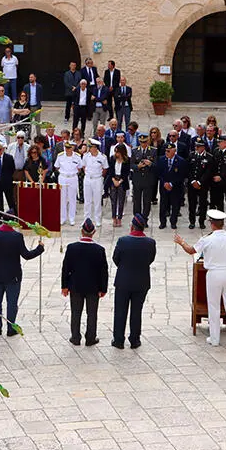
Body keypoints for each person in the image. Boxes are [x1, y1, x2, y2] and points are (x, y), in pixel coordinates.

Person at [175, 210, 226, 348]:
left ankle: (215, 338)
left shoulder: (207, 239)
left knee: (214, 307)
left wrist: (181, 242)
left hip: (214, 275)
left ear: (212, 224)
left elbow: (191, 250)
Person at [0, 213, 45, 336]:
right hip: (13, 276)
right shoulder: (16, 236)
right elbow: (26, 255)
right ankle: (11, 328)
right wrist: (39, 249)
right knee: (12, 303)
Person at [112, 214, 156, 349]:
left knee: (120, 311)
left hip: (123, 282)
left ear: (132, 226)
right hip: (141, 282)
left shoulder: (123, 241)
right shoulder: (150, 243)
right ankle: (135, 339)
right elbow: (150, 259)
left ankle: (118, 340)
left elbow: (116, 259)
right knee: (137, 312)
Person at [61, 218, 108, 346]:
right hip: (93, 287)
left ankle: (75, 337)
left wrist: (64, 286)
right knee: (92, 314)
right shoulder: (99, 250)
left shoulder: (72, 248)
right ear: (94, 232)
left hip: (76, 286)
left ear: (82, 231)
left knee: (76, 313)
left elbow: (65, 268)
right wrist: (103, 289)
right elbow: (104, 271)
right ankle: (90, 338)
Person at [157, 142, 186, 230]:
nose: (167, 153)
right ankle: (162, 222)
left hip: (175, 187)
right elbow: (159, 173)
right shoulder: (161, 159)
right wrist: (165, 183)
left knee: (175, 205)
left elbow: (182, 175)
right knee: (163, 205)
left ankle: (173, 222)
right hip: (164, 186)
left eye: (169, 151)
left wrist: (171, 183)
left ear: (174, 151)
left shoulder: (181, 161)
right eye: (166, 151)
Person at [187, 138, 214, 229]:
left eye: (198, 146)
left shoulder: (209, 157)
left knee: (203, 204)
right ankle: (192, 221)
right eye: (196, 146)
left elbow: (208, 172)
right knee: (192, 204)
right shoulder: (191, 155)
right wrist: (193, 181)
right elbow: (188, 170)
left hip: (203, 185)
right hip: (192, 184)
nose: (196, 148)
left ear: (203, 147)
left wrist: (199, 182)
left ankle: (201, 221)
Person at [55, 141, 82, 225]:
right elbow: (56, 166)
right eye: (66, 148)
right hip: (63, 177)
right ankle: (62, 218)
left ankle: (72, 218)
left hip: (72, 177)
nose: (67, 149)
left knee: (72, 198)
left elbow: (80, 168)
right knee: (62, 198)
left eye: (69, 148)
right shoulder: (60, 156)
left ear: (72, 148)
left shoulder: (77, 157)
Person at [82, 139, 108, 227]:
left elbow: (105, 169)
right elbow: (84, 166)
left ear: (96, 148)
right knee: (87, 200)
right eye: (90, 147)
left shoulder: (102, 157)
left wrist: (99, 176)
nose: (90, 149)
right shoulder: (86, 156)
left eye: (92, 147)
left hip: (97, 179)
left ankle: (97, 219)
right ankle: (86, 219)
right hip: (88, 179)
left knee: (97, 200)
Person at [131, 134, 157, 219]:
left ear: (148, 141)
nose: (143, 144)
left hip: (148, 180)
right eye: (141, 142)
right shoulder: (135, 151)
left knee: (147, 201)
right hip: (137, 180)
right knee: (136, 201)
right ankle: (137, 218)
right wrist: (137, 166)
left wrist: (150, 164)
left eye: (145, 142)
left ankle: (145, 218)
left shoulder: (153, 151)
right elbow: (131, 165)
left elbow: (157, 165)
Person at [0, 142, 16, 216]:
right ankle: (0, 216)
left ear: (3, 149)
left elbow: (12, 169)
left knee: (10, 199)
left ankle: (13, 215)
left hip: (7, 182)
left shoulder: (9, 157)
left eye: (0, 150)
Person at [109, 144, 131, 227]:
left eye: (117, 152)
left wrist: (120, 181)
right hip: (114, 179)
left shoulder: (127, 160)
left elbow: (126, 172)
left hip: (122, 180)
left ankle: (119, 218)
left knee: (121, 200)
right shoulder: (112, 158)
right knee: (113, 200)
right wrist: (114, 180)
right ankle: (114, 218)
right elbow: (110, 170)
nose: (116, 154)